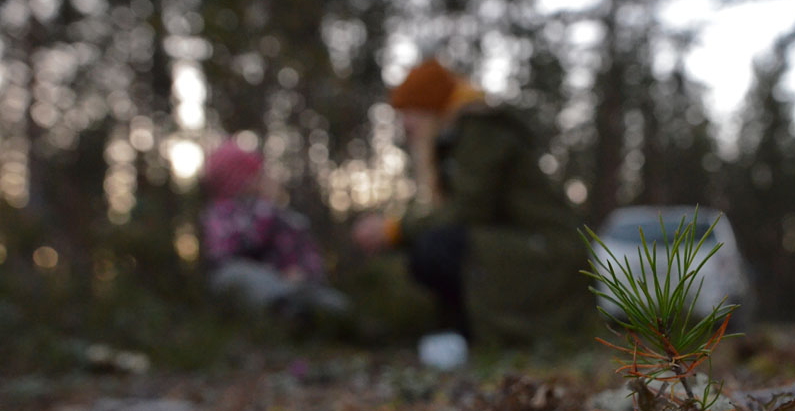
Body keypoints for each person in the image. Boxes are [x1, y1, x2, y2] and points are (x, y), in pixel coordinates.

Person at [351, 58, 591, 345]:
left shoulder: (481, 131)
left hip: (551, 252)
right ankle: (457, 334)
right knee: (431, 245)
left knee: (439, 247)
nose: (405, 124)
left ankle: (474, 335)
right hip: (520, 244)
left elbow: (468, 210)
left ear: (431, 107)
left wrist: (394, 230)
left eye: (409, 112)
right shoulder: (456, 140)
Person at [200, 138, 352, 325]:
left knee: (334, 303)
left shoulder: (282, 215)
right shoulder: (221, 214)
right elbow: (239, 246)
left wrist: (304, 274)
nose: (264, 178)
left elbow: (304, 250)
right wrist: (267, 207)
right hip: (254, 285)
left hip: (295, 285)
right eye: (255, 175)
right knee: (233, 276)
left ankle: (334, 320)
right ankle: (286, 311)